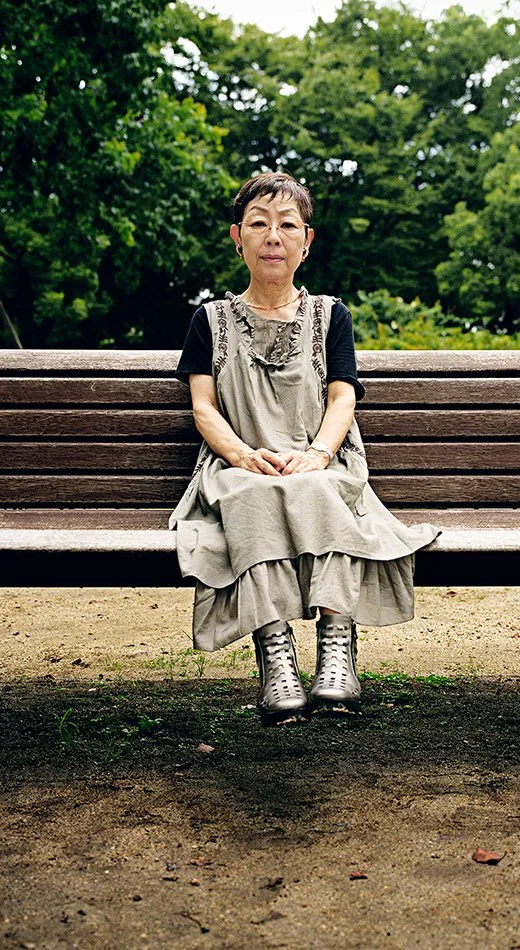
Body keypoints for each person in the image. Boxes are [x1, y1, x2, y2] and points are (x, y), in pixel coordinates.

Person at [169, 172, 440, 724]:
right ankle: (276, 656)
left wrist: (316, 454)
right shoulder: (210, 322)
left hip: (322, 459)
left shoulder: (330, 317)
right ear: (237, 238)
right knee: (250, 495)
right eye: (259, 224)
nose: (273, 236)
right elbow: (204, 408)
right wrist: (244, 456)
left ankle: (337, 647)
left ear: (306, 241)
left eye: (287, 225)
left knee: (320, 490)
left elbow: (342, 400)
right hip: (237, 464)